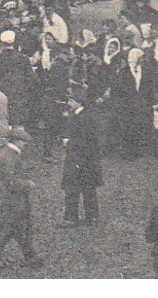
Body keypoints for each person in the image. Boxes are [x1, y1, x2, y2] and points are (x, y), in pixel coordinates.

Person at [0, 126, 40, 270]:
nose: (25, 145)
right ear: (16, 141)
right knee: (11, 230)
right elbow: (11, 181)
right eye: (23, 142)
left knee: (18, 230)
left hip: (9, 199)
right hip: (11, 200)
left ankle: (31, 257)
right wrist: (28, 184)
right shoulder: (10, 156)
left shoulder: (7, 152)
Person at [60, 94, 101, 226]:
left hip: (79, 158)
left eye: (71, 101)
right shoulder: (83, 116)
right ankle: (92, 217)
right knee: (88, 188)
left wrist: (68, 143)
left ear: (78, 102)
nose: (68, 103)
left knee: (73, 188)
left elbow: (84, 140)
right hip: (87, 160)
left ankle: (71, 218)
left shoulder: (82, 118)